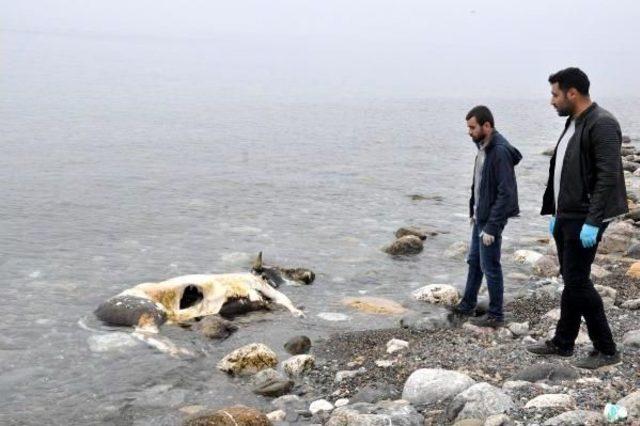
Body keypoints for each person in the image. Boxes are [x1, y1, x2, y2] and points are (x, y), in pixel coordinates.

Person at [527, 67, 627, 369]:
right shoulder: (574, 121)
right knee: (571, 280)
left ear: (572, 93)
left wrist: (594, 221)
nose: (552, 101)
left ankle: (606, 350)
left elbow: (608, 175)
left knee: (578, 282)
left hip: (585, 217)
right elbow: (565, 170)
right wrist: (556, 212)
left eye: (555, 94)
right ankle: (564, 341)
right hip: (567, 215)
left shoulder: (603, 123)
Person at [451, 105, 522, 328]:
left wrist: (492, 226)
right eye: (468, 128)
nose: (469, 132)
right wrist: (473, 210)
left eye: (472, 127)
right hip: (480, 217)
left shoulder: (499, 151)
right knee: (474, 261)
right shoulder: (484, 147)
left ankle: (496, 315)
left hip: (491, 220)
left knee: (490, 265)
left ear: (487, 126)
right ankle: (467, 304)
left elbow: (506, 192)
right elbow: (481, 183)